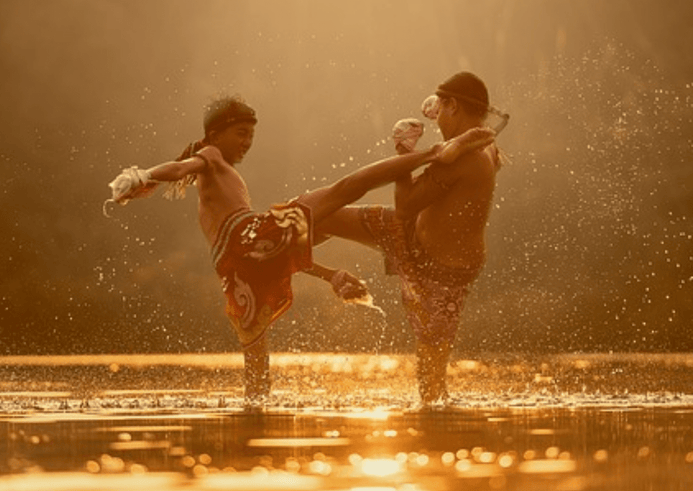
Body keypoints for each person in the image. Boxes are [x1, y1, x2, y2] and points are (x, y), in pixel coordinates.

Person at [107, 94, 495, 404]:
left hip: (238, 271)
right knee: (346, 188)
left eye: (250, 135)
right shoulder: (209, 156)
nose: (247, 142)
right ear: (214, 135)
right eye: (241, 133)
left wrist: (331, 276)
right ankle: (430, 153)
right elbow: (178, 169)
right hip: (250, 234)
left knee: (257, 383)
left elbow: (271, 257)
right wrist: (143, 175)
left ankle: (252, 433)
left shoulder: (213, 181)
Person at [313, 72, 506, 405]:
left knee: (431, 389)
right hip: (415, 238)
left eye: (440, 111)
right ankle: (279, 248)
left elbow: (404, 206)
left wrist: (404, 152)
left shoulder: (466, 156)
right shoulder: (487, 145)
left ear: (453, 107)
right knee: (324, 215)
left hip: (439, 271)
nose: (438, 123)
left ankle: (438, 439)